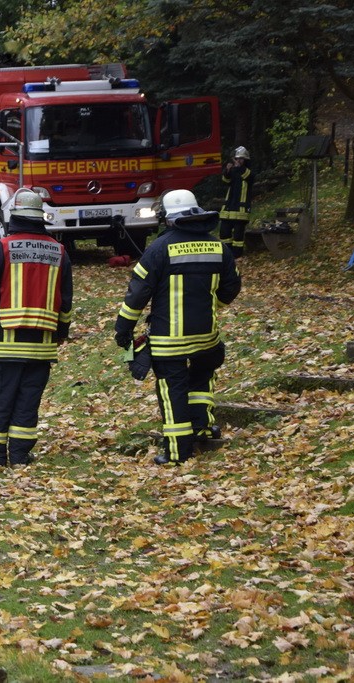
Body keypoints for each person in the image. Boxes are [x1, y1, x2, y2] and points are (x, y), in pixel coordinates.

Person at [114, 189, 242, 465]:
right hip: (207, 337)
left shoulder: (158, 249)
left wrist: (123, 328)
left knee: (172, 391)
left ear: (168, 218)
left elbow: (137, 295)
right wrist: (212, 305)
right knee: (200, 382)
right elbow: (231, 288)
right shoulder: (219, 247)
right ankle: (202, 428)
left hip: (169, 340)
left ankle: (176, 451)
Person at [0, 189, 73, 467]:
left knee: (1, 401)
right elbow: (65, 306)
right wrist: (60, 334)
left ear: (14, 216)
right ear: (41, 218)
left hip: (5, 344)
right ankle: (19, 456)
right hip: (41, 347)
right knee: (28, 403)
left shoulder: (2, 247)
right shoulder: (59, 252)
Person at [219, 146, 254, 257]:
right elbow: (225, 181)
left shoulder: (248, 172)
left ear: (246, 160)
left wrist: (239, 167)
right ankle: (227, 254)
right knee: (224, 233)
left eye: (241, 159)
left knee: (238, 236)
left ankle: (237, 255)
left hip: (241, 209)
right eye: (237, 159)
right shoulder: (234, 170)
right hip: (228, 208)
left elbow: (249, 177)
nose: (238, 161)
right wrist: (227, 171)